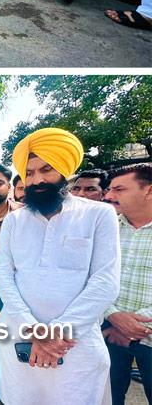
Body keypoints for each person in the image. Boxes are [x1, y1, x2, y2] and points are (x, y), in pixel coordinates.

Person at [0, 127, 119, 405]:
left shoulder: (99, 215)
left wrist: (59, 332)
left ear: (65, 171)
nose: (36, 179)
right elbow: (4, 274)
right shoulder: (14, 221)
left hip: (75, 343)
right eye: (29, 173)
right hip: (20, 338)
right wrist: (33, 329)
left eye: (46, 169)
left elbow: (105, 282)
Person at [101, 163, 152, 404]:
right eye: (110, 189)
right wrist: (114, 316)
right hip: (109, 334)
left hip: (148, 338)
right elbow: (91, 277)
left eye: (119, 189)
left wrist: (136, 327)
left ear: (149, 191)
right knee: (108, 397)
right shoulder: (106, 227)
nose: (109, 196)